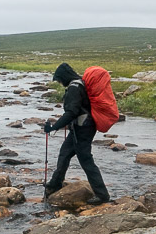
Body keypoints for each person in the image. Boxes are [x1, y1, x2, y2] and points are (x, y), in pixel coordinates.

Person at [43, 62, 111, 203]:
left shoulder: (74, 88)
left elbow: (71, 112)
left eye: (60, 80)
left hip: (83, 129)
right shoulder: (79, 84)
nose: (60, 83)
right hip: (81, 127)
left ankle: (102, 196)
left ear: (64, 77)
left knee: (86, 160)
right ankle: (55, 183)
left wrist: (53, 127)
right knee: (65, 154)